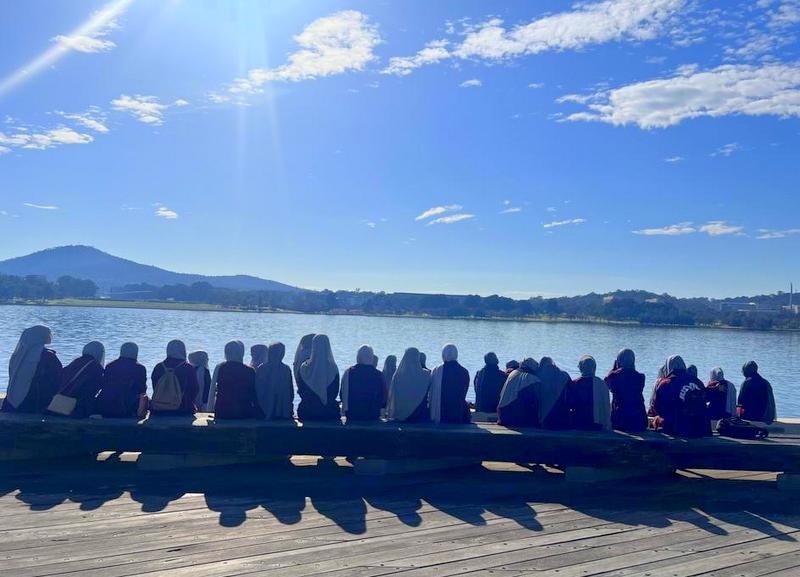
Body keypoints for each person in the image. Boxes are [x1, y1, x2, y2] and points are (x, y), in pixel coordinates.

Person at [3, 325, 62, 414]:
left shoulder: (17, 355)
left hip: (11, 400)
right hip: (34, 403)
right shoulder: (48, 356)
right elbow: (58, 379)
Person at [651, 355, 711, 437]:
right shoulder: (698, 381)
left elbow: (657, 407)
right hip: (701, 428)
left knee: (657, 420)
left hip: (678, 429)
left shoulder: (666, 383)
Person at [95, 342, 147, 418]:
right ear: (136, 353)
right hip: (127, 408)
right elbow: (142, 389)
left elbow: (104, 385)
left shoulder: (110, 366)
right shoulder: (139, 368)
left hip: (105, 406)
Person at [55, 341, 105, 418]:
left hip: (59, 403)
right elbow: (91, 390)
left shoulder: (75, 363)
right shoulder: (95, 367)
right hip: (76, 408)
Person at [150, 340, 199, 416]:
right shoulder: (188, 368)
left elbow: (155, 387)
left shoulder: (158, 367)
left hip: (158, 409)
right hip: (183, 410)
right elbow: (194, 390)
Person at [297, 334, 340, 421]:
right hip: (329, 412)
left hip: (307, 412)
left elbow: (301, 390)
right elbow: (335, 392)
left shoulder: (303, 368)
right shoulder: (333, 368)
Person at [213, 341, 259, 419]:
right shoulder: (249, 371)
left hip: (222, 412)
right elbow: (253, 394)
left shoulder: (221, 368)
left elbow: (214, 390)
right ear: (241, 353)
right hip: (243, 412)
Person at [604, 348, 647, 432]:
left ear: (619, 360)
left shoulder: (614, 376)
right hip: (639, 421)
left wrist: (613, 369)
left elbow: (606, 385)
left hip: (620, 421)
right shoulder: (641, 377)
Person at [341, 345, 386, 422]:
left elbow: (342, 394)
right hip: (372, 415)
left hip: (353, 414)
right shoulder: (379, 374)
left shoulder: (349, 372)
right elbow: (383, 398)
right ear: (371, 357)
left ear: (358, 357)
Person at [566, 356, 611, 431]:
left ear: (581, 368)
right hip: (596, 424)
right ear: (594, 368)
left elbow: (569, 404)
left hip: (578, 423)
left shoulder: (574, 383)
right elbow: (606, 406)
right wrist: (607, 424)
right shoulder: (601, 383)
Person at [387, 347, 431, 422]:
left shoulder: (398, 376)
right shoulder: (426, 374)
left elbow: (393, 397)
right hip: (421, 415)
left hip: (401, 415)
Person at [429, 344, 471, 424]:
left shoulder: (436, 370)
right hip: (458, 414)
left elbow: (431, 392)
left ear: (443, 354)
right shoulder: (464, 371)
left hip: (441, 413)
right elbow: (464, 393)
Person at [255, 342, 294, 420]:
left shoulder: (262, 368)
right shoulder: (286, 369)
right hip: (284, 411)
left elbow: (257, 390)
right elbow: (291, 392)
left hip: (263, 410)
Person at [497, 358, 539, 427]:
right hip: (515, 418)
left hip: (502, 415)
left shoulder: (513, 373)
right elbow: (536, 402)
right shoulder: (532, 379)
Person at [537, 357, 571, 429]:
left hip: (544, 422)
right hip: (564, 420)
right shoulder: (565, 375)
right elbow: (572, 394)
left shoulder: (537, 377)